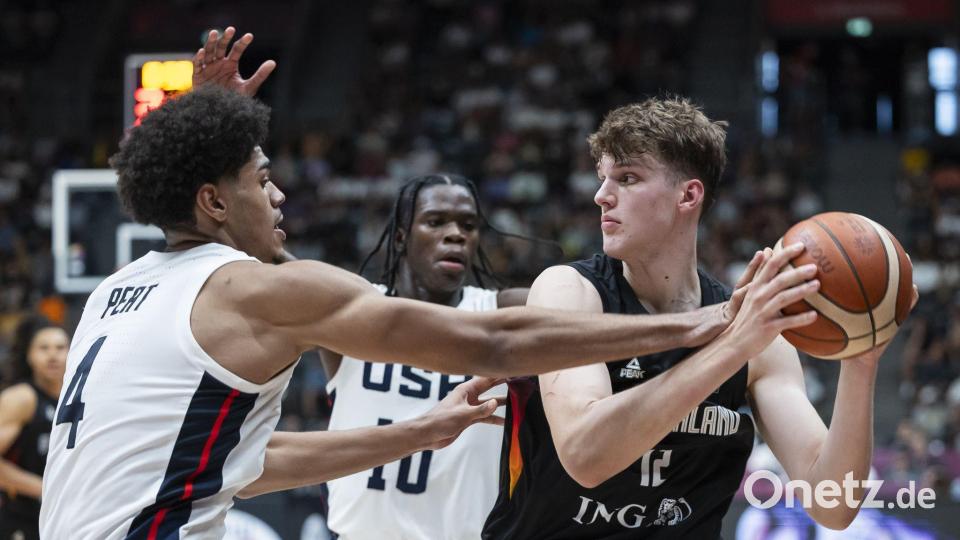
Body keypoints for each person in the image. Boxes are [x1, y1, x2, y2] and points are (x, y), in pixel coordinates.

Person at [39, 32, 814, 540]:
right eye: (261, 178)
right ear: (212, 201)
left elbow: (243, 464)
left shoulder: (118, 291)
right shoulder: (261, 291)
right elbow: (494, 342)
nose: (280, 197)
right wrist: (702, 327)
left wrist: (415, 432)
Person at [482, 97, 918, 539]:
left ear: (688, 195)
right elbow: (585, 455)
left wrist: (861, 362)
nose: (601, 195)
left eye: (627, 178)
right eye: (603, 178)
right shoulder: (568, 291)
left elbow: (835, 504)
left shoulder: (759, 337)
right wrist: (733, 347)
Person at [320, 173, 528, 539]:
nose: (456, 234)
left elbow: (587, 302)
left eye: (468, 225)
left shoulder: (500, 314)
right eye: (436, 222)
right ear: (401, 236)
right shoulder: (353, 310)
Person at [0, 316, 68, 540]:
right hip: (21, 516)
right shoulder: (22, 398)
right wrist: (44, 488)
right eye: (43, 348)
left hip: (64, 517)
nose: (52, 355)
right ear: (29, 355)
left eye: (60, 347)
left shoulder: (77, 397)